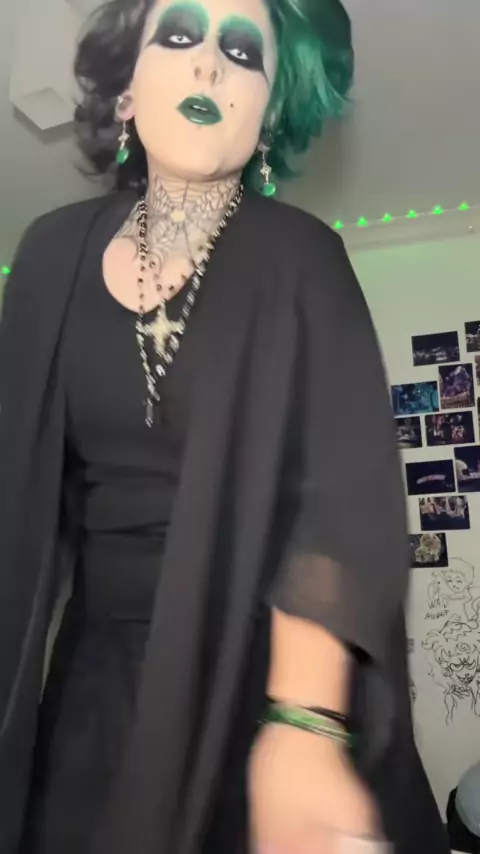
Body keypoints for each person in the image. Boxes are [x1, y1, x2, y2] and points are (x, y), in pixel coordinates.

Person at [0, 0, 448, 853]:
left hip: (261, 679)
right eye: (179, 34)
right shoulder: (48, 255)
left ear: (267, 115)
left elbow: (339, 507)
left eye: (243, 52)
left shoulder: (303, 256)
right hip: (96, 690)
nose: (209, 62)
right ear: (125, 91)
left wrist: (304, 724)